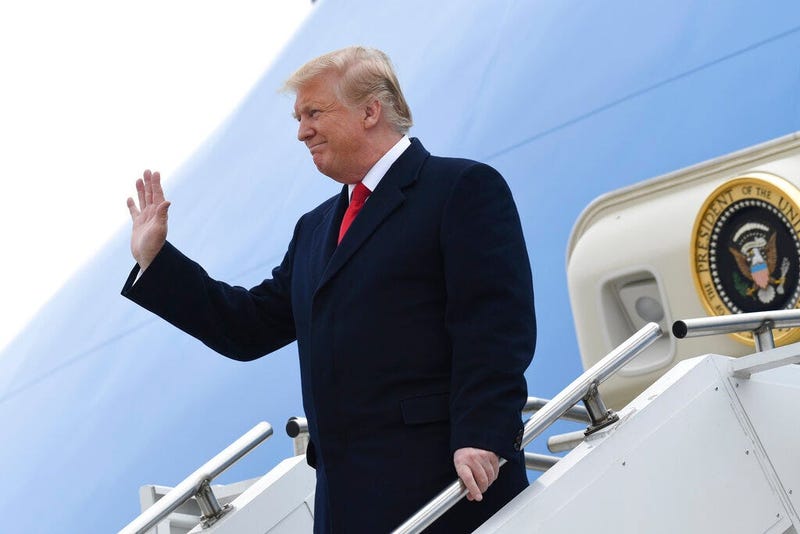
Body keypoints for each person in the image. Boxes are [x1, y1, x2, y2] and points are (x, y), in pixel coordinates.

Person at [122, 46, 536, 533]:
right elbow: (247, 328)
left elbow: (494, 325)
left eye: (314, 112)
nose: (301, 131)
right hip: (346, 504)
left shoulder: (460, 188)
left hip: (448, 485)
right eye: (298, 118)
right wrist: (157, 261)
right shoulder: (314, 229)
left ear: (369, 110)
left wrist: (483, 434)